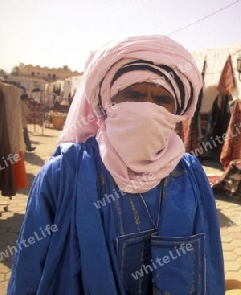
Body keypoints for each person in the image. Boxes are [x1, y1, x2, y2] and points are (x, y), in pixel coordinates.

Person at [8, 35, 225, 294]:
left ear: (177, 110)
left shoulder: (190, 174)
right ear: (106, 104)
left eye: (161, 100)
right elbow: (29, 269)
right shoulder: (62, 175)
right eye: (133, 96)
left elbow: (208, 264)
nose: (147, 109)